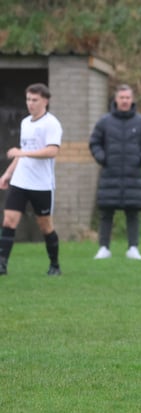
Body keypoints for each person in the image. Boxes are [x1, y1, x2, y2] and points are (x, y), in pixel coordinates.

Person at [0, 83, 63, 276]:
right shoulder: (26, 122)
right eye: (28, 99)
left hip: (41, 184)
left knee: (45, 226)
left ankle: (54, 265)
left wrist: (23, 152)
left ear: (45, 101)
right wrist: (7, 174)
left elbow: (52, 151)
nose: (30, 103)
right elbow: (22, 153)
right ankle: (2, 265)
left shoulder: (51, 123)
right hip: (20, 181)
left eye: (34, 100)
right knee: (9, 220)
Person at [89, 84, 141, 260]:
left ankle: (133, 248)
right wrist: (102, 157)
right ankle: (104, 248)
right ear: (116, 100)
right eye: (122, 98)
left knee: (133, 213)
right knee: (106, 213)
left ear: (132, 99)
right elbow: (94, 142)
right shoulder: (104, 122)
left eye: (128, 98)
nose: (125, 101)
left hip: (133, 176)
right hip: (109, 175)